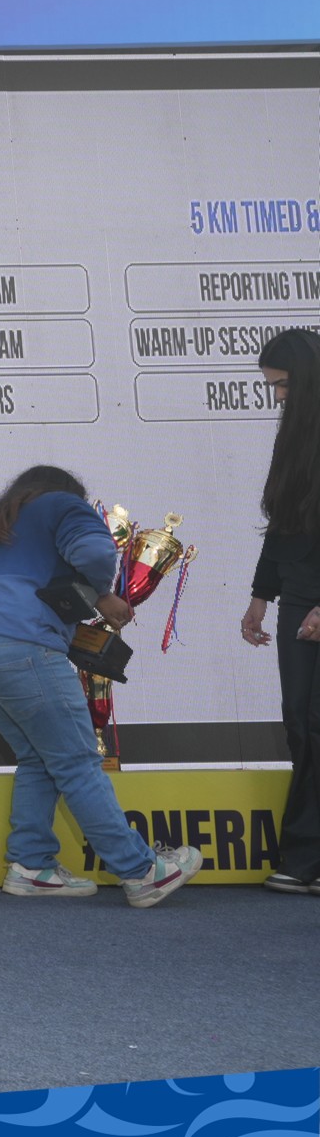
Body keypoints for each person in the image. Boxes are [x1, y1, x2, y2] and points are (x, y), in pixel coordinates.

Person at [0, 463, 202, 911]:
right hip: (19, 642)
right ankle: (141, 872)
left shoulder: (2, 526)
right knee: (78, 762)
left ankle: (31, 865)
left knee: (39, 758)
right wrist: (102, 594)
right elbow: (97, 553)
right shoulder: (63, 504)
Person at [240, 327, 320, 893]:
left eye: (285, 384)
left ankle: (307, 856)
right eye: (273, 386)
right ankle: (306, 854)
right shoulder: (293, 437)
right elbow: (283, 526)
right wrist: (259, 597)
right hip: (296, 597)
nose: (278, 396)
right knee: (299, 722)